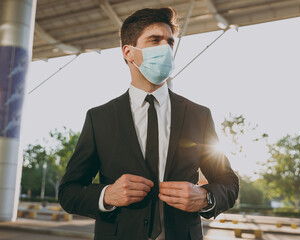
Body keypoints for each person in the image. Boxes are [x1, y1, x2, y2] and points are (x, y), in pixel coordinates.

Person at [58, 7, 239, 240]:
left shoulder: (198, 115)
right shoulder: (99, 118)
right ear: (128, 52)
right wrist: (107, 195)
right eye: (155, 40)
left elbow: (229, 182)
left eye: (170, 43)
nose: (165, 49)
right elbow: (68, 191)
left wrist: (206, 198)